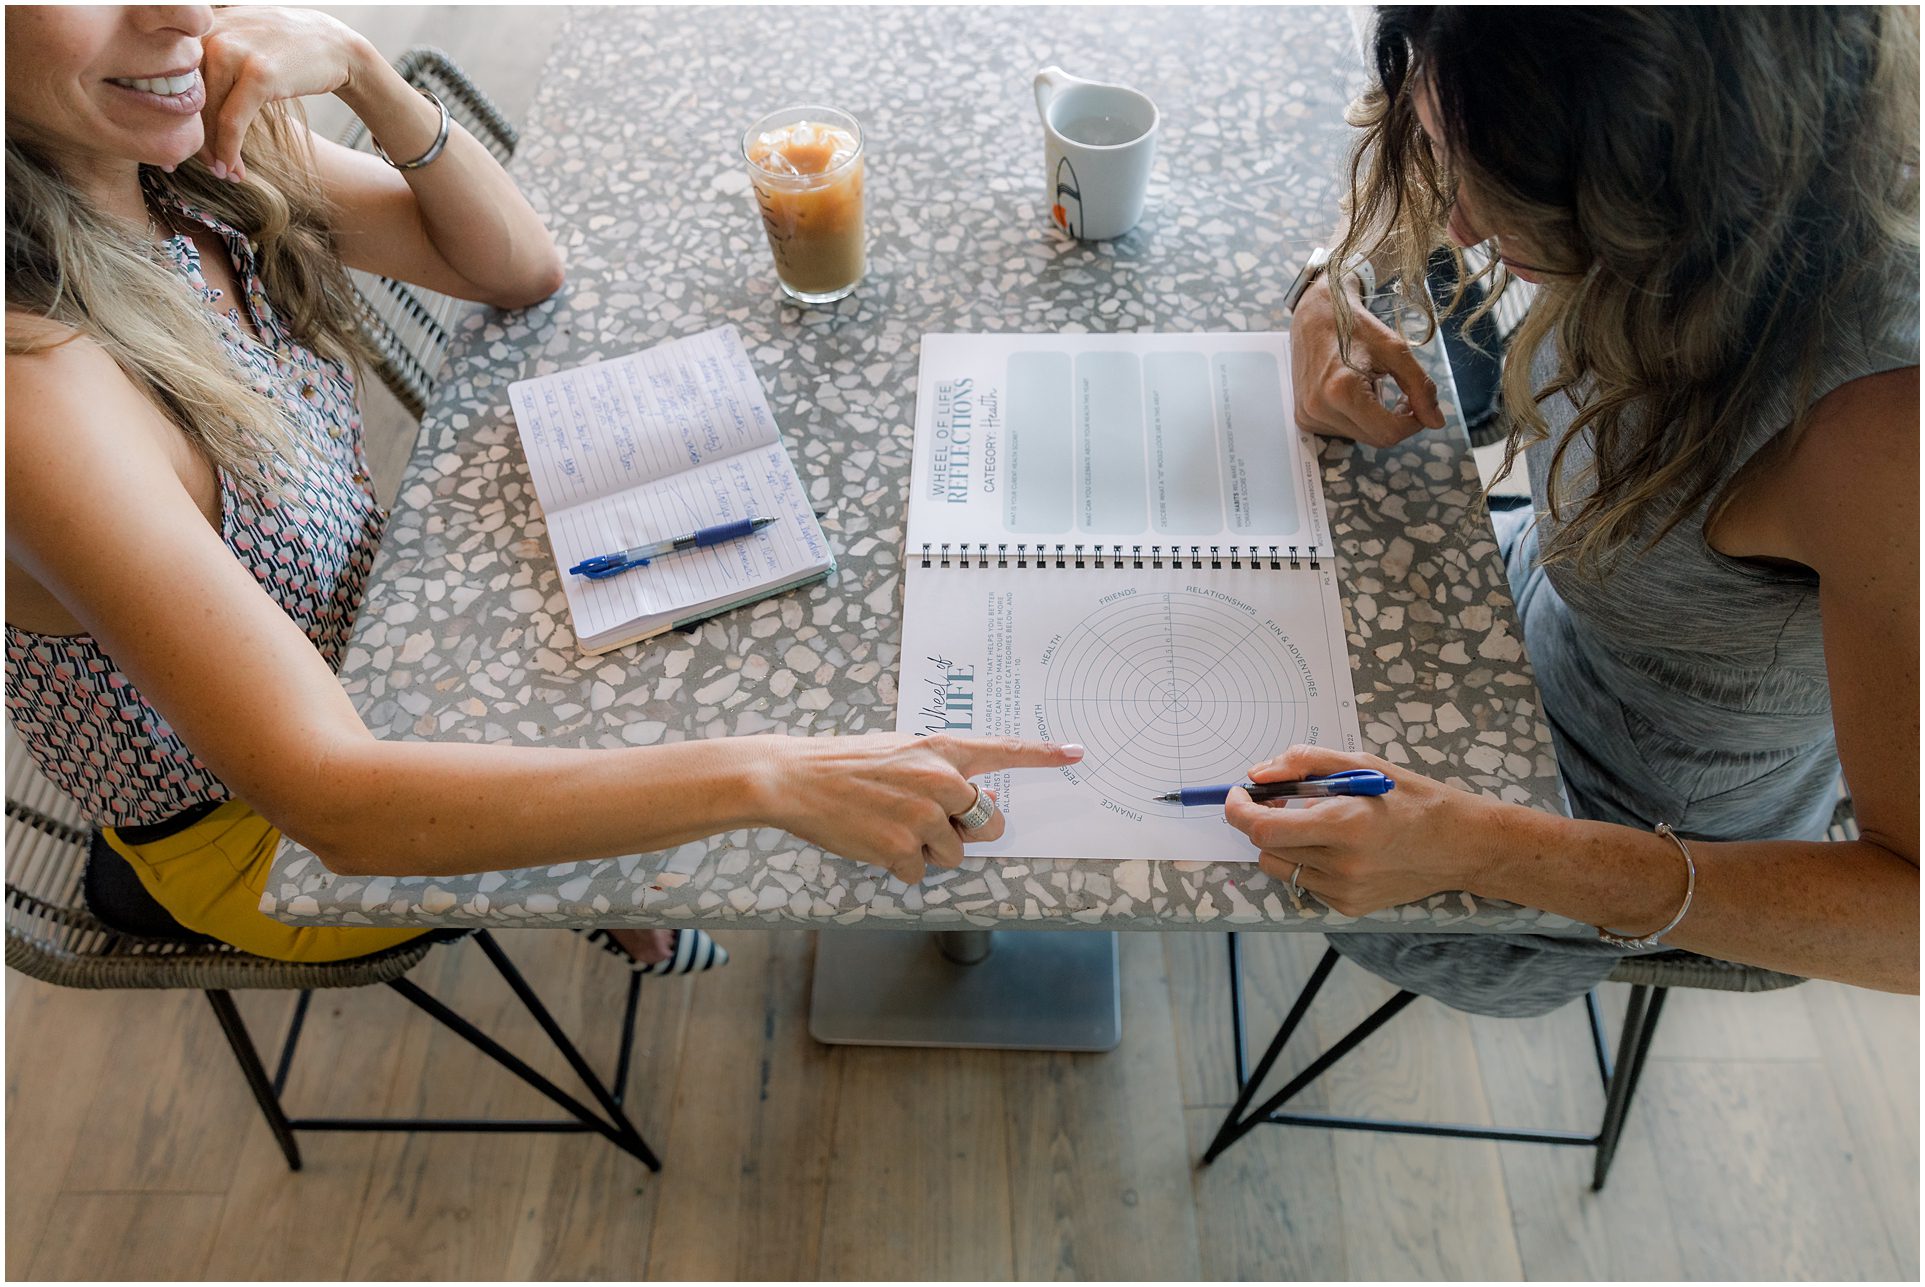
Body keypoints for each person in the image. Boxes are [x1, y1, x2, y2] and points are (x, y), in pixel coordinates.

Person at [4, 5, 1081, 968]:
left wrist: (365, 71)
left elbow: (515, 269)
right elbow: (336, 807)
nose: (182, 13)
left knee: (768, 665)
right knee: (770, 738)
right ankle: (588, 895)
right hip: (255, 826)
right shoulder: (34, 391)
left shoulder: (175, 162)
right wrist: (768, 781)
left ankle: (593, 857)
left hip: (383, 644)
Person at [1226, 6, 1918, 1014]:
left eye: (1519, 202)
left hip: (1614, 832)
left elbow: (1911, 927)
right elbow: (1428, 140)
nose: (1459, 228)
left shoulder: (1880, 435)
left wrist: (1471, 846)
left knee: (1175, 818)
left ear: (1674, 187)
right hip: (1524, 600)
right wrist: (1338, 281)